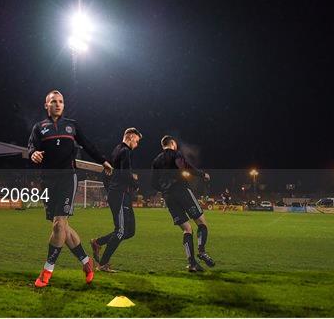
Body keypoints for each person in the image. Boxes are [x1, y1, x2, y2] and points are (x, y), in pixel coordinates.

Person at [28, 89, 113, 287]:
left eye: (61, 101)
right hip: (48, 181)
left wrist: (103, 161)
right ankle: (86, 262)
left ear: (63, 105)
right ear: (46, 105)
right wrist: (33, 154)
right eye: (53, 101)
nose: (58, 104)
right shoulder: (39, 127)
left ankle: (47, 271)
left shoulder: (72, 126)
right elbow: (31, 147)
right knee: (61, 228)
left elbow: (89, 145)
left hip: (68, 178)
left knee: (59, 224)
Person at [151, 135, 215, 272]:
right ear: (172, 144)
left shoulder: (156, 160)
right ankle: (202, 251)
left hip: (168, 197)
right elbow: (186, 167)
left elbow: (153, 182)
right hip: (182, 191)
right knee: (202, 223)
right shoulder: (176, 154)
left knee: (187, 229)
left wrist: (164, 189)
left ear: (163, 145)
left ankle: (192, 263)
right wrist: (202, 174)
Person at [91, 127, 142, 272]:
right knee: (120, 231)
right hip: (119, 194)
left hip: (122, 194)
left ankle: (98, 242)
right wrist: (135, 183)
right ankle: (103, 264)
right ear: (131, 137)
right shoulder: (125, 151)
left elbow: (109, 173)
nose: (137, 145)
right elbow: (124, 174)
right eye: (137, 141)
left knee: (130, 231)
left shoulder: (117, 150)